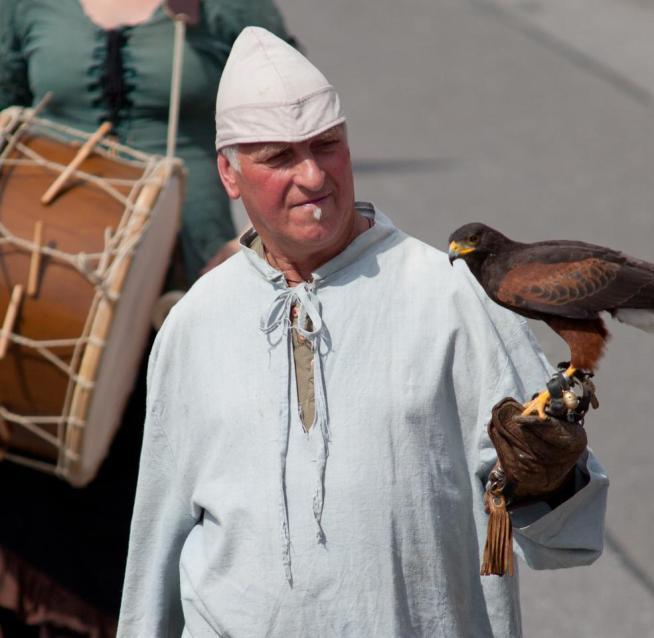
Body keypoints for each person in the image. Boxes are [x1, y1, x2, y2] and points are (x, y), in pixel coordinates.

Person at [118, 27, 609, 637]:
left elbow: (563, 532)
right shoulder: (195, 324)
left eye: (327, 145)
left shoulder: (451, 296)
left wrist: (550, 477)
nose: (312, 175)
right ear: (229, 172)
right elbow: (157, 538)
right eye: (277, 158)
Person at [0, 3, 298, 636]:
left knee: (163, 492)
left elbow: (293, 133)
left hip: (193, 286)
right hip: (51, 292)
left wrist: (254, 243)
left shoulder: (226, 7)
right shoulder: (26, 6)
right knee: (39, 497)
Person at [0, 0, 297, 283]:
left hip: (192, 256)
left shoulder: (230, 8)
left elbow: (297, 122)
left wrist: (255, 238)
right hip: (44, 258)